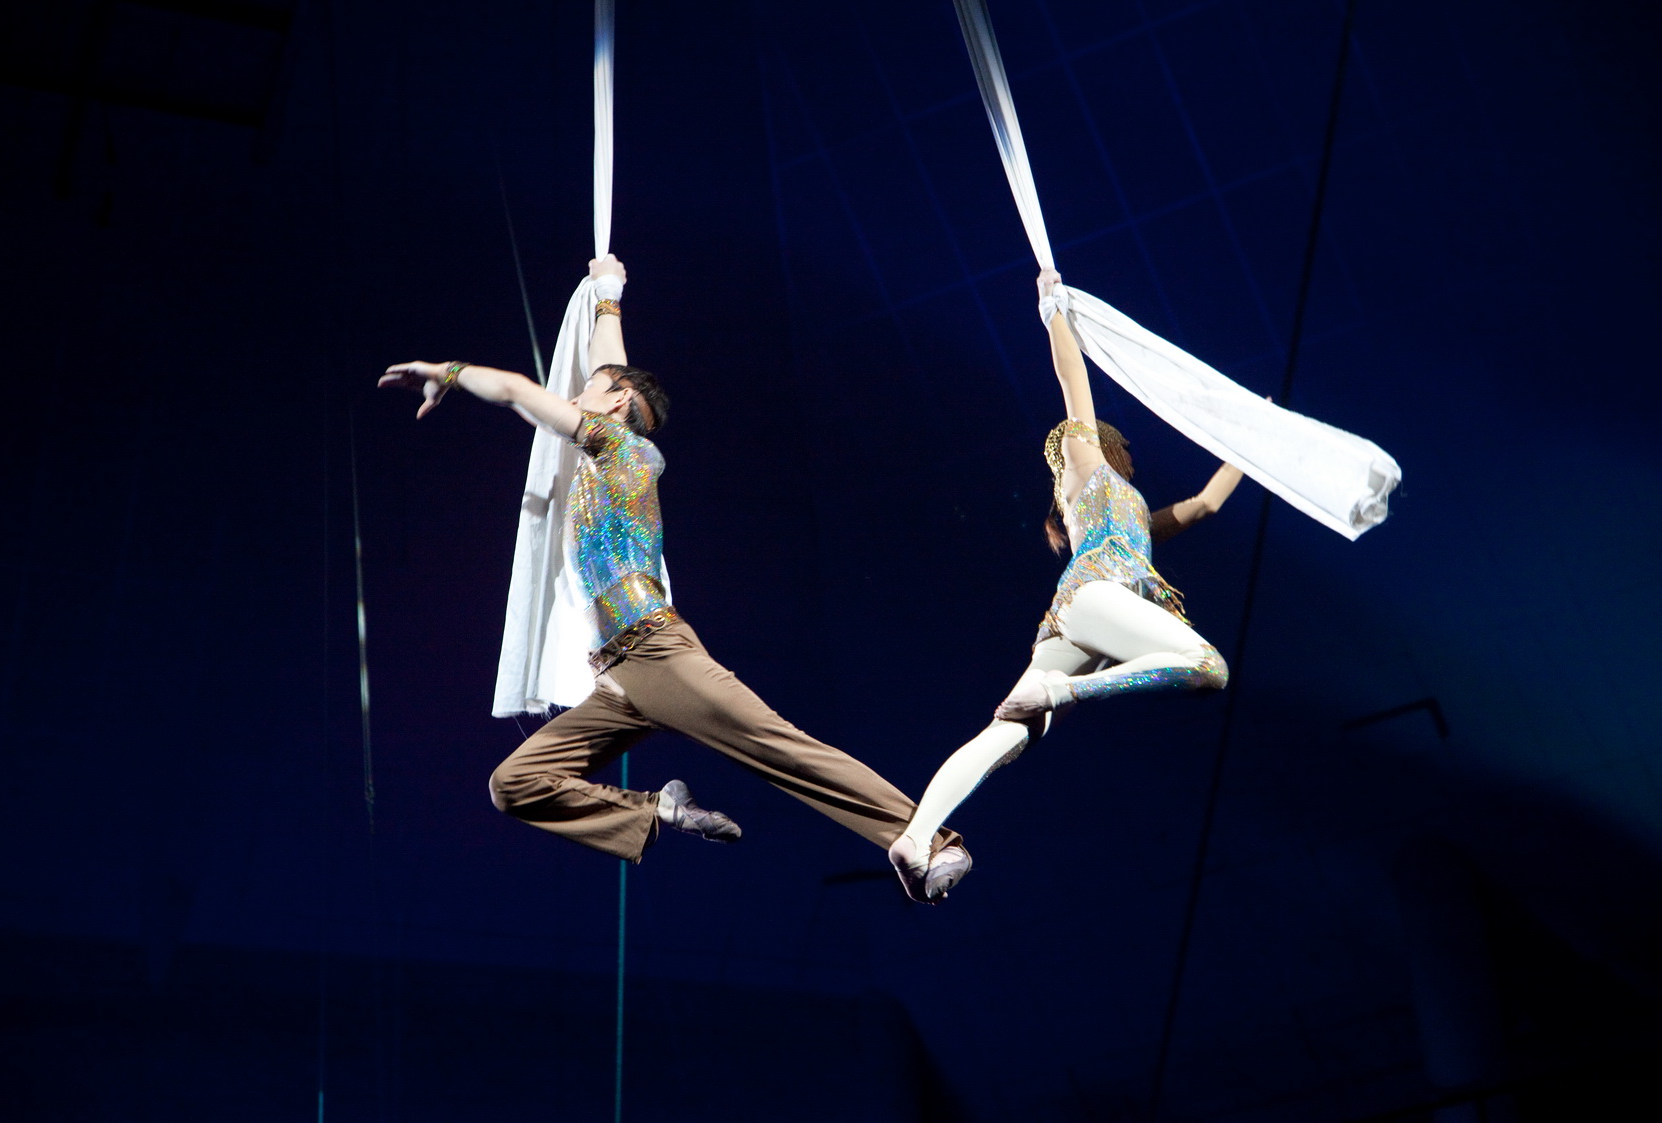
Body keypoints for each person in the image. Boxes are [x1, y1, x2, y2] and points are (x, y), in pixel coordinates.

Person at [380, 255, 967, 882]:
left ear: (616, 403)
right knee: (515, 783)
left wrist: (449, 373)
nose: (573, 394)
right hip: (617, 676)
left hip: (656, 652)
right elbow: (611, 366)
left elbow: (522, 391)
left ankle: (933, 841)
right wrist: (609, 292)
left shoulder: (619, 447)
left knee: (780, 748)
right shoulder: (614, 440)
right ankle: (657, 810)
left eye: (588, 390)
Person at [887, 268, 1242, 903]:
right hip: (1097, 597)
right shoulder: (1086, 470)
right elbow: (1073, 382)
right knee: (1206, 665)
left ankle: (915, 838)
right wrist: (1055, 311)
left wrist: (1252, 443)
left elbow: (1205, 505)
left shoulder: (1132, 515)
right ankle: (1065, 690)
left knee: (1008, 731)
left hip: (1082, 614)